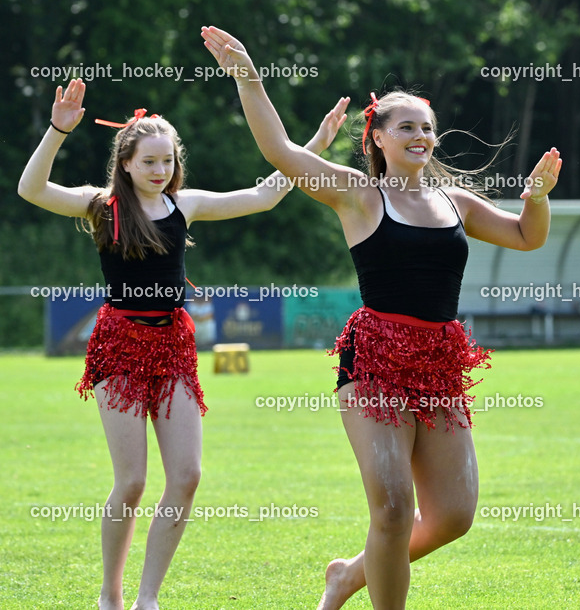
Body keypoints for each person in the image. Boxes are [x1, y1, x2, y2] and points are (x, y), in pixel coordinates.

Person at [200, 25, 561, 610]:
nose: (420, 136)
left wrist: (537, 195)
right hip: (376, 358)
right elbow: (280, 152)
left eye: (427, 127)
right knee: (392, 507)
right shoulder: (358, 195)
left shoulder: (455, 201)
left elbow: (526, 237)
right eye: (407, 127)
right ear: (379, 138)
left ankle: (347, 576)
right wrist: (248, 74)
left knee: (453, 515)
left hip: (440, 360)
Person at [17, 77, 347, 610]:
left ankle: (148, 599)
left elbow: (262, 197)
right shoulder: (100, 206)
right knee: (131, 483)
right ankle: (111, 595)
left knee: (188, 476)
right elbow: (31, 190)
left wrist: (311, 148)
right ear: (125, 163)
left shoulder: (183, 205)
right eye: (149, 161)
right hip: (119, 345)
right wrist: (58, 130)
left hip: (173, 346)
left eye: (167, 161)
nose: (159, 170)